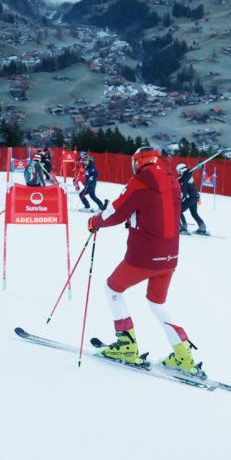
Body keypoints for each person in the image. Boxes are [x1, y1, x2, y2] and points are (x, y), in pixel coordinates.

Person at [86, 147, 201, 376]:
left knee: (112, 288)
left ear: (137, 163)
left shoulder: (139, 182)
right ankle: (183, 354)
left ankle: (126, 346)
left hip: (144, 256)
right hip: (169, 258)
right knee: (157, 303)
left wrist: (94, 221)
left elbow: (115, 213)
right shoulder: (172, 182)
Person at [176, 163, 208, 235]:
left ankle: (183, 227)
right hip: (195, 197)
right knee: (194, 213)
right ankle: (202, 227)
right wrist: (199, 165)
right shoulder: (188, 175)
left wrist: (178, 201)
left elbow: (183, 194)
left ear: (182, 170)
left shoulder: (184, 180)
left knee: (178, 210)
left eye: (178, 171)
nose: (178, 173)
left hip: (191, 198)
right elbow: (189, 171)